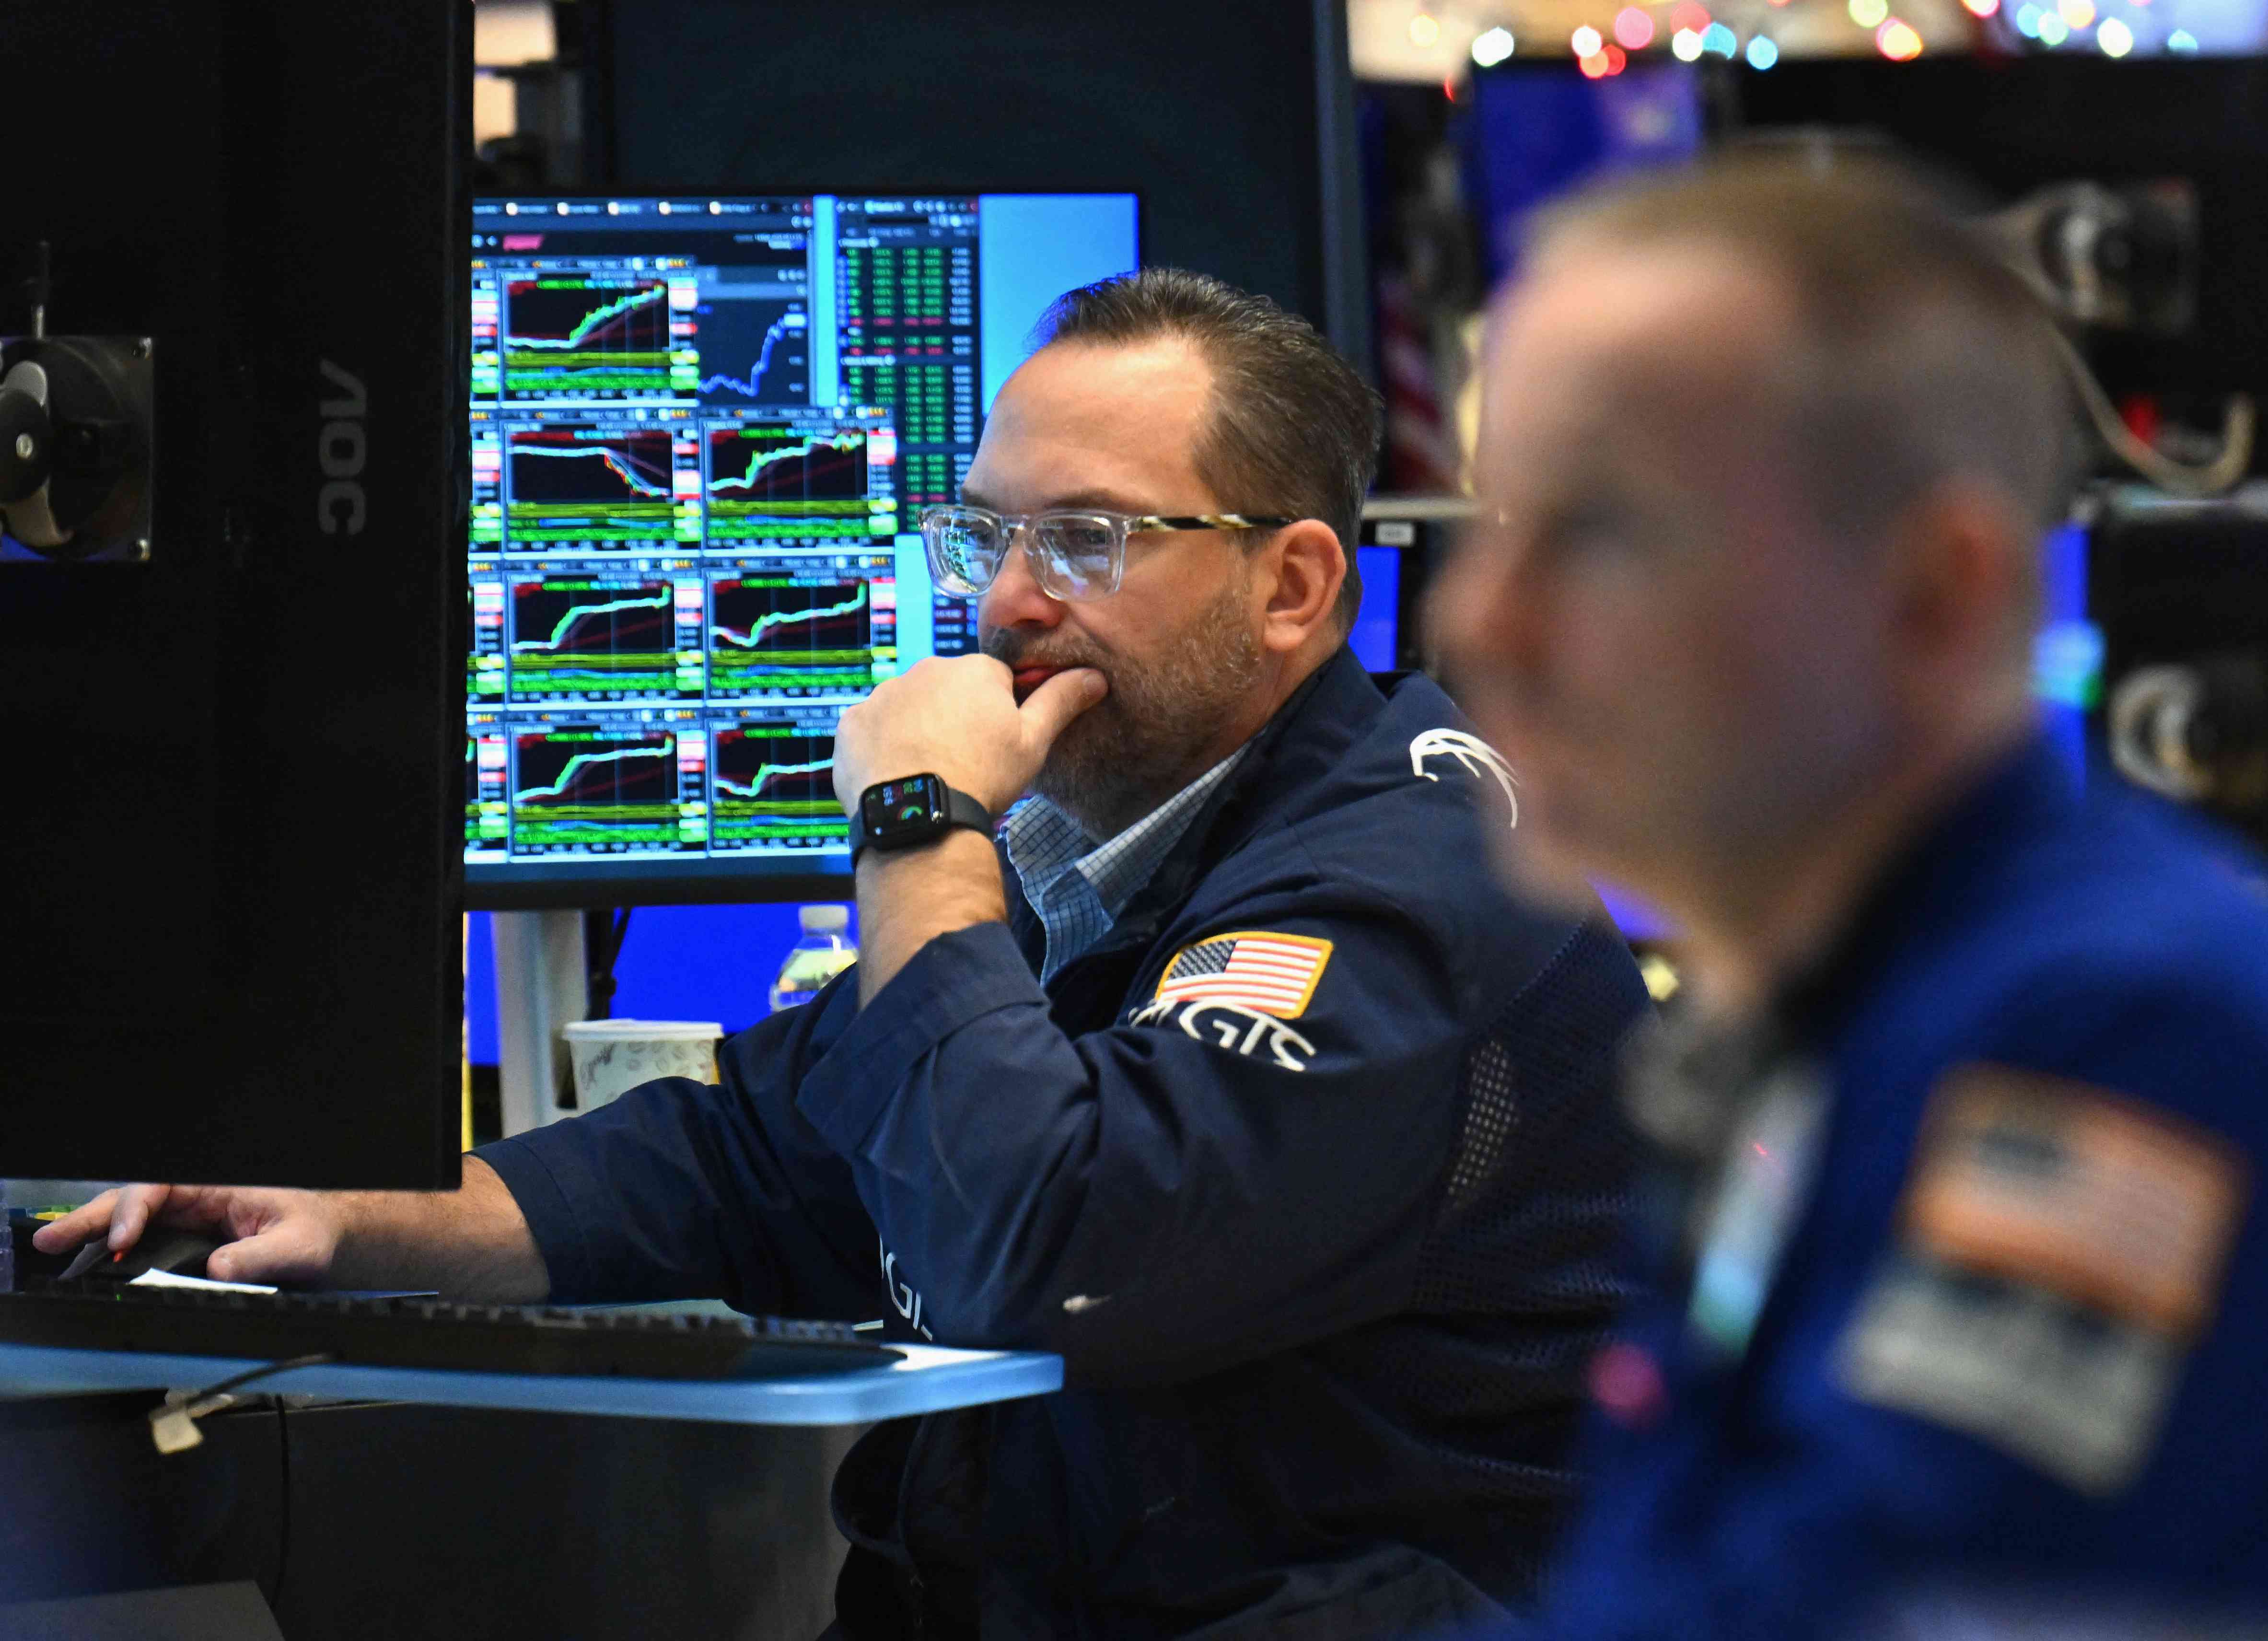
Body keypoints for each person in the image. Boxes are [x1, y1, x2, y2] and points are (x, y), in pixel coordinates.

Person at [41, 268, 1652, 1639]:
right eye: (984, 534)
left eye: (1085, 540)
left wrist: (918, 825)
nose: (1005, 603)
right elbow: (753, 1156)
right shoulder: (1116, 838)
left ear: (1291, 585)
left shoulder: (1416, 884)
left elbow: (1038, 1252)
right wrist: (349, 1217)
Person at [1428, 154, 2268, 1639]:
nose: (1479, 622)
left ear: (1935, 595)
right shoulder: (1836, 1009)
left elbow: (1840, 1612)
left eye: (1595, 532)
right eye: (1490, 523)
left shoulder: (2128, 1035)